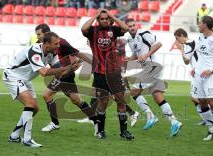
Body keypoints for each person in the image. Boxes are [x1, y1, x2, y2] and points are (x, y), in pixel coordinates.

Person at [3, 32, 81, 147]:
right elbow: (44, 72)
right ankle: (27, 140)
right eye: (56, 44)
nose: (58, 46)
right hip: (12, 76)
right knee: (30, 104)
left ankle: (14, 136)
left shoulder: (52, 53)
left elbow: (60, 72)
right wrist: (66, 67)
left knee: (34, 109)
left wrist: (71, 69)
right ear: (46, 44)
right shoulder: (34, 51)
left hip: (25, 80)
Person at [33, 24, 98, 133]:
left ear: (46, 34)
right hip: (61, 73)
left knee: (46, 95)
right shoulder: (39, 45)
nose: (37, 37)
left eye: (39, 34)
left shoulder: (61, 42)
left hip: (65, 74)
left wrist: (93, 63)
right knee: (76, 100)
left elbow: (77, 53)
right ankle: (96, 120)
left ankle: (55, 123)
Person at [81, 9, 134, 140]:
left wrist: (111, 16)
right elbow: (83, 29)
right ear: (98, 20)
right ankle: (101, 131)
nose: (104, 20)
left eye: (106, 18)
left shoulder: (113, 30)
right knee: (103, 101)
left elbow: (125, 28)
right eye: (102, 19)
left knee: (121, 100)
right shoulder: (93, 31)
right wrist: (95, 15)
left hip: (114, 71)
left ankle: (124, 132)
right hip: (100, 72)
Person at [125, 18, 182, 136]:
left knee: (134, 92)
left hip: (152, 67)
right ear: (126, 28)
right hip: (149, 69)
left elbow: (158, 44)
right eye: (129, 26)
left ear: (136, 25)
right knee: (157, 95)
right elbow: (136, 55)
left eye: (133, 25)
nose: (132, 27)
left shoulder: (144, 34)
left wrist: (146, 55)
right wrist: (128, 59)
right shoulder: (130, 39)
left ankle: (150, 116)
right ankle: (174, 121)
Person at [174, 28, 207, 125]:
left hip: (198, 73)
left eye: (177, 38)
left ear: (181, 35)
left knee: (194, 97)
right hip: (198, 71)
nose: (177, 41)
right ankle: (206, 117)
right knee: (195, 97)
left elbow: (186, 61)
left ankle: (211, 110)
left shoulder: (188, 44)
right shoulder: (192, 42)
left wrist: (181, 49)